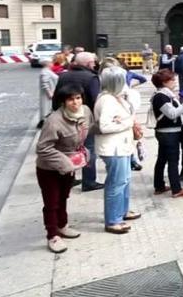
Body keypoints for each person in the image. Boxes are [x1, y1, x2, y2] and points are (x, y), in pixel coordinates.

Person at [36, 83, 92, 253]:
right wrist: (64, 162)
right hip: (49, 169)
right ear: (62, 102)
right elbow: (43, 148)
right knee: (51, 202)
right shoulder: (54, 121)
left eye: (78, 98)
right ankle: (52, 235)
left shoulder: (86, 111)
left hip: (70, 164)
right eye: (70, 100)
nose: (75, 103)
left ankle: (62, 225)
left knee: (63, 197)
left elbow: (91, 128)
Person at [94, 66, 141, 234]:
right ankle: (113, 220)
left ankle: (122, 211)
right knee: (116, 183)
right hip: (114, 148)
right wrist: (127, 122)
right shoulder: (107, 100)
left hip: (122, 146)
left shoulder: (115, 97)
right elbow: (105, 126)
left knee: (124, 180)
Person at [54, 51, 103, 192]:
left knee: (67, 150)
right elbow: (95, 101)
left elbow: (57, 98)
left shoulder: (63, 75)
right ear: (88, 64)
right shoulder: (92, 78)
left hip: (65, 119)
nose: (94, 64)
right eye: (93, 62)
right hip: (84, 120)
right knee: (88, 150)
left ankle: (69, 179)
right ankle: (89, 181)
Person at [150, 69, 183, 198]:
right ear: (164, 82)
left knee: (162, 159)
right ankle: (176, 189)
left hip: (167, 132)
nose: (175, 82)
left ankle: (159, 185)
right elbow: (172, 113)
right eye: (172, 80)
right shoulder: (161, 96)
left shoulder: (165, 95)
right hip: (168, 133)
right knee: (173, 160)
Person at [38, 57, 59, 128]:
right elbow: (45, 83)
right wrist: (49, 92)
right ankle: (45, 123)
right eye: (51, 62)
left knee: (47, 108)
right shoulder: (45, 72)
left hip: (51, 92)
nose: (52, 63)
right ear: (47, 63)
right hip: (48, 94)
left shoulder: (47, 71)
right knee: (46, 108)